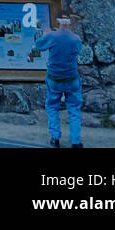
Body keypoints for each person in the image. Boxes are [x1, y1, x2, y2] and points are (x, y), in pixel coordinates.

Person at [35, 15, 83, 148]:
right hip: (72, 78)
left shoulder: (52, 37)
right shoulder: (75, 39)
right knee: (74, 108)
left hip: (54, 79)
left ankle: (55, 138)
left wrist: (46, 34)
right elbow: (78, 50)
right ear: (70, 23)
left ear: (58, 23)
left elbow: (39, 45)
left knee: (52, 106)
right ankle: (76, 141)